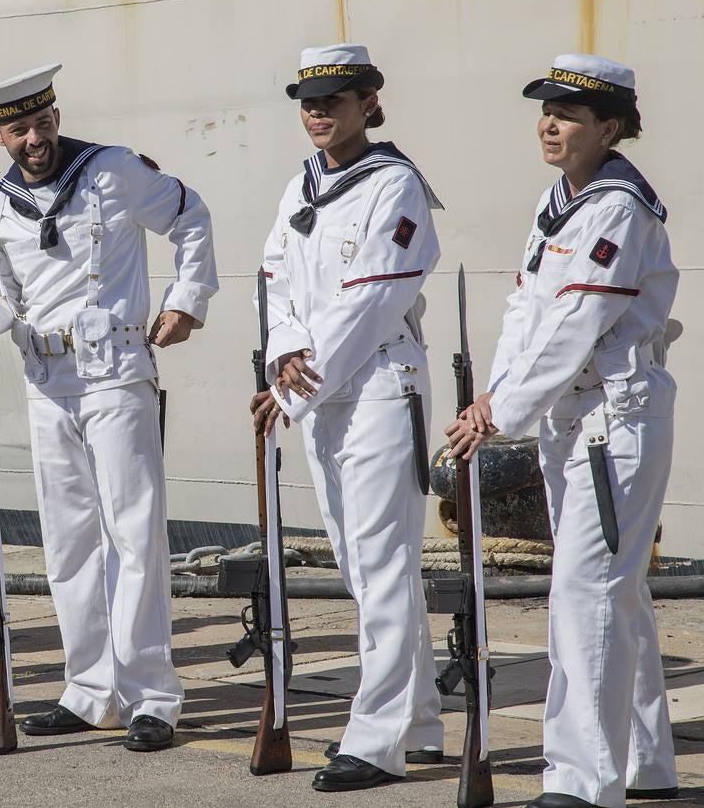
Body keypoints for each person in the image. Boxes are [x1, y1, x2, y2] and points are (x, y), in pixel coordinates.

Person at [0, 63, 219, 752]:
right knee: (70, 543)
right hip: (46, 380)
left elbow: (191, 217)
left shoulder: (114, 171)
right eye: (19, 130)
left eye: (43, 123)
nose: (35, 139)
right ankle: (91, 688)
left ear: (56, 116)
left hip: (115, 372)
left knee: (132, 535)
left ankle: (152, 695)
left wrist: (187, 303)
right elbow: (4, 301)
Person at [447, 55, 679, 808]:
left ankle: (582, 782)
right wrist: (497, 396)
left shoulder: (618, 207)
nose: (549, 123)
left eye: (568, 115)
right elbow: (527, 314)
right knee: (618, 595)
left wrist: (498, 411)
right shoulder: (561, 203)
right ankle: (647, 764)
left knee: (586, 594)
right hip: (565, 416)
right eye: (545, 111)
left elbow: (580, 321)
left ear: (609, 127)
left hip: (614, 417)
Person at [249, 44, 445, 791]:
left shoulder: (394, 186)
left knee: (385, 563)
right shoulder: (300, 186)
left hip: (378, 386)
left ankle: (376, 736)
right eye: (309, 99)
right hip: (321, 389)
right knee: (361, 566)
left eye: (336, 97)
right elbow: (275, 275)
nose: (320, 111)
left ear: (369, 101)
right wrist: (286, 354)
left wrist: (294, 387)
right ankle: (419, 719)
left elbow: (371, 301)